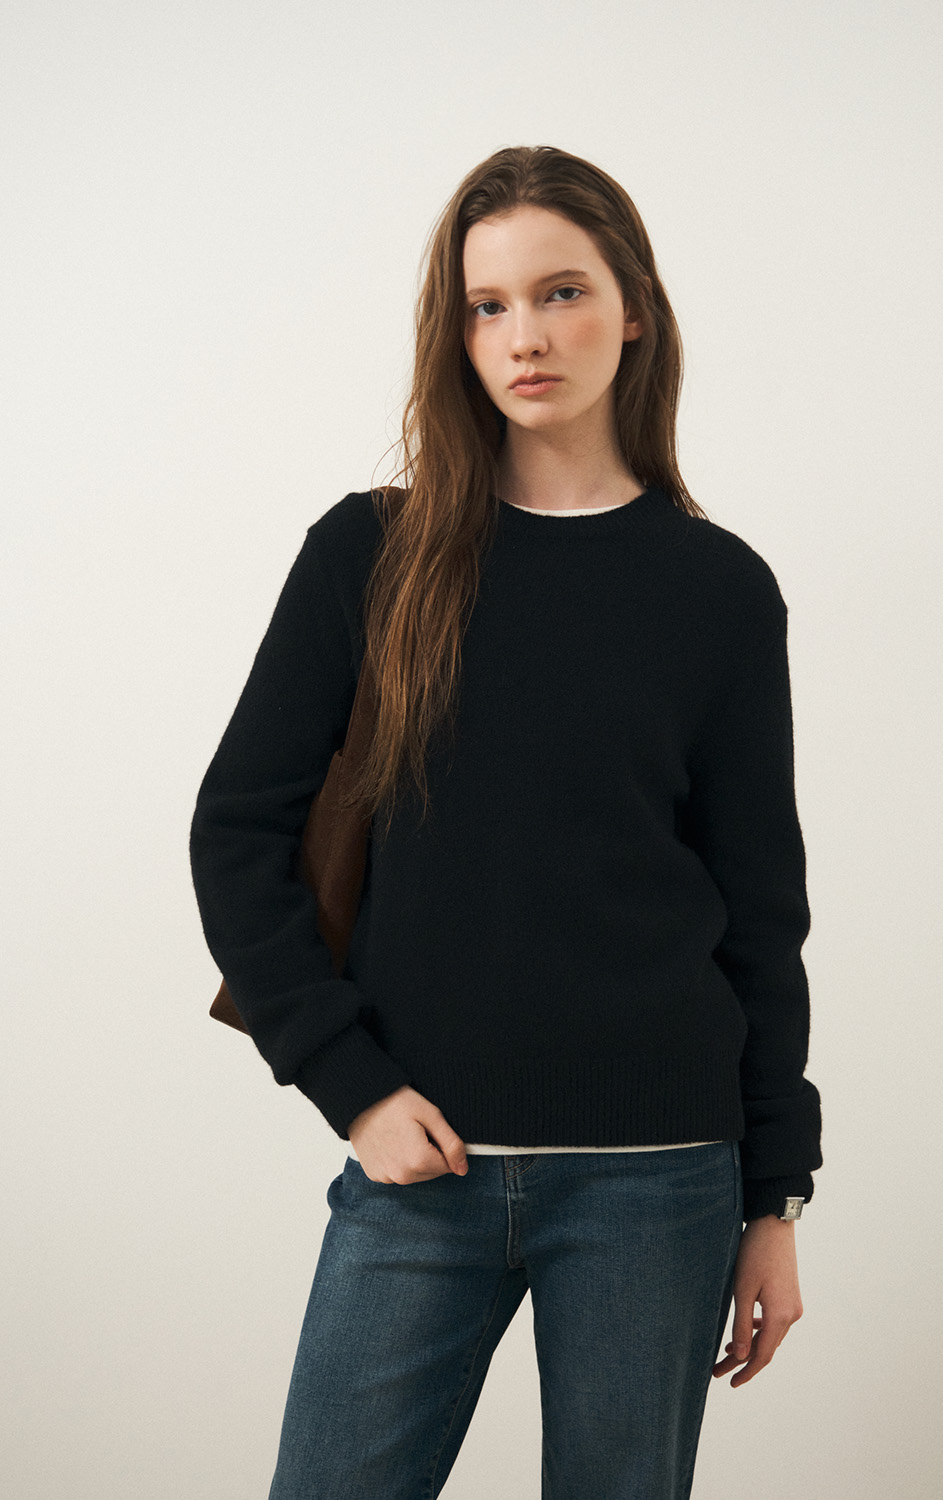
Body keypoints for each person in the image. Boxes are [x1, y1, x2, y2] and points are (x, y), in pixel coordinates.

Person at [189, 143, 822, 1499]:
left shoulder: (718, 589)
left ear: (633, 308)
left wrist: (774, 1198)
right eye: (487, 305)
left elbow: (762, 917)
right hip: (422, 1167)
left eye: (561, 292)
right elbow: (237, 831)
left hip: (661, 1177)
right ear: (458, 331)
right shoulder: (372, 553)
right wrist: (349, 1082)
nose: (523, 335)